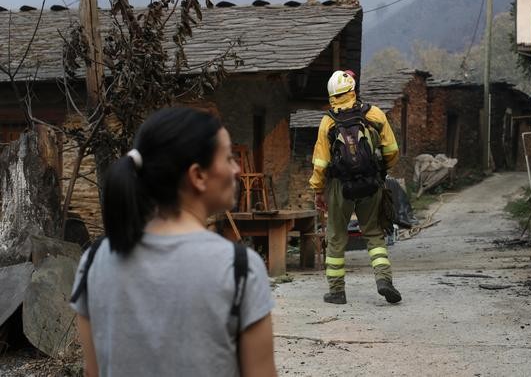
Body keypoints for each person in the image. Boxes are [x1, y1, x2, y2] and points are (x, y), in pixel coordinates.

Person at [69, 107, 277, 377]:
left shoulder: (94, 261)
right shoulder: (238, 269)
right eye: (228, 158)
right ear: (197, 176)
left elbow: (93, 372)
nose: (237, 169)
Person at [310, 70, 403, 305]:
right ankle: (384, 280)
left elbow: (320, 164)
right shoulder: (374, 114)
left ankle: (337, 291)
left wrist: (318, 190)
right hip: (372, 183)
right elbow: (392, 152)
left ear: (331, 95)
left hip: (340, 187)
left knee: (336, 236)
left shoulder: (328, 122)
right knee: (373, 232)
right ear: (353, 89)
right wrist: (380, 171)